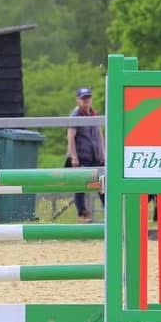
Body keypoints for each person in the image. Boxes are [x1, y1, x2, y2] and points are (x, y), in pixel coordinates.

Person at [66, 87, 105, 222]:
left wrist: (103, 153)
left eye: (88, 98)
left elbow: (99, 135)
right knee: (80, 185)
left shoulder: (94, 114)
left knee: (103, 183)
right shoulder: (75, 115)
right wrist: (74, 157)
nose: (86, 100)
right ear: (78, 100)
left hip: (95, 156)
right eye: (83, 98)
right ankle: (82, 213)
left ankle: (109, 211)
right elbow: (70, 137)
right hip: (82, 156)